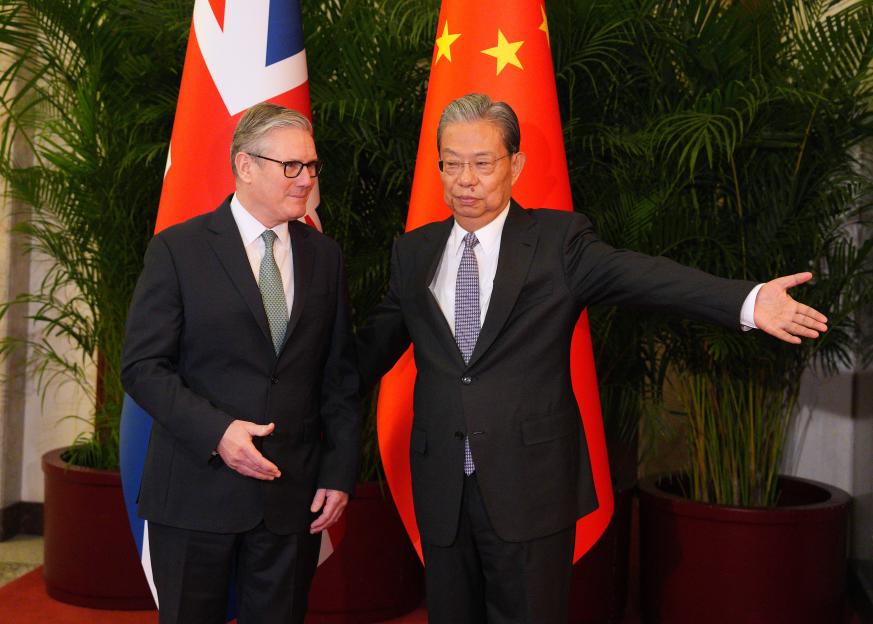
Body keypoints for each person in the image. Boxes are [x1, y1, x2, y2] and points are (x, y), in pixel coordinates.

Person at [356, 93, 828, 624]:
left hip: (529, 485)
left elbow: (647, 277)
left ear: (516, 165)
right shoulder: (413, 251)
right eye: (451, 162)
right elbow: (367, 353)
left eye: (482, 163)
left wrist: (745, 300)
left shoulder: (558, 243)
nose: (465, 178)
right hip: (441, 484)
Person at [121, 102, 360, 624]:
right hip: (193, 491)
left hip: (290, 498)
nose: (305, 180)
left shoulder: (325, 257)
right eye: (291, 166)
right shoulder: (178, 250)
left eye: (312, 166)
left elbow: (338, 377)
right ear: (245, 165)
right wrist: (218, 431)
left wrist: (339, 473)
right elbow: (142, 366)